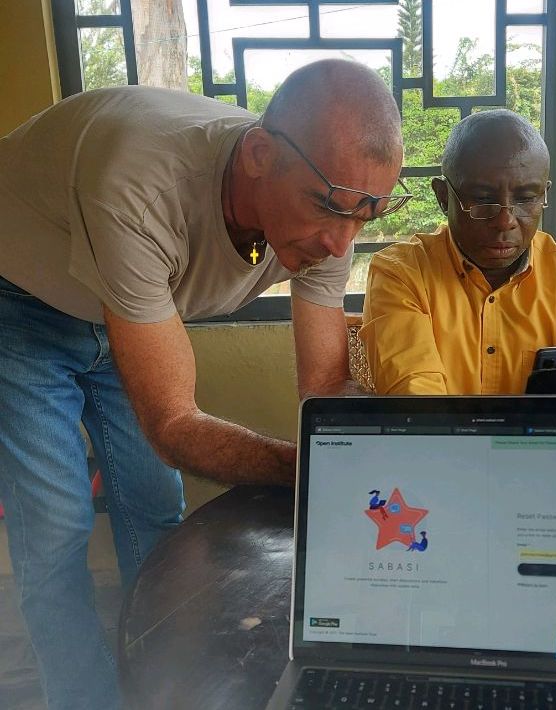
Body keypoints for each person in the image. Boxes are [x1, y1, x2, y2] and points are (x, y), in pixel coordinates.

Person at [0, 59, 408, 710]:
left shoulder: (331, 213)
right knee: (54, 529)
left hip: (133, 302)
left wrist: (380, 462)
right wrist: (311, 471)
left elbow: (325, 387)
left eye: (367, 214)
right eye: (330, 209)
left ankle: (158, 693)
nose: (341, 244)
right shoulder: (141, 182)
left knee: (154, 508)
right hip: (19, 298)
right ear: (258, 154)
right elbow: (175, 426)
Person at [361, 109, 556, 395]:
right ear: (443, 197)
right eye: (483, 200)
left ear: (544, 194)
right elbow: (418, 407)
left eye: (526, 199)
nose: (505, 220)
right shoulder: (401, 274)